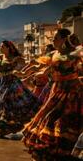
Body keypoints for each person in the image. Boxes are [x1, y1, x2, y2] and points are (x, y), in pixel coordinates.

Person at [22, 29, 82, 161]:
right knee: (48, 118)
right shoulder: (55, 54)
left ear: (64, 40)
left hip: (71, 92)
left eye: (55, 38)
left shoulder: (73, 55)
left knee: (63, 121)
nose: (53, 41)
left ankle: (64, 150)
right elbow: (48, 67)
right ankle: (54, 150)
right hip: (57, 91)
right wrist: (34, 69)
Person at [0, 40, 40, 137]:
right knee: (2, 106)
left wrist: (28, 67)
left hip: (13, 84)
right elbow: (0, 69)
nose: (1, 48)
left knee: (10, 105)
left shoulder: (15, 59)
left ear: (9, 48)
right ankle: (2, 128)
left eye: (3, 47)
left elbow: (21, 70)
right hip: (3, 84)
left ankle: (8, 127)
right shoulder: (0, 57)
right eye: (0, 46)